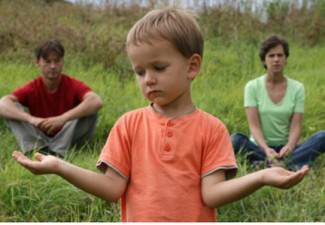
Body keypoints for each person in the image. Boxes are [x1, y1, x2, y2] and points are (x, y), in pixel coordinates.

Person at [12, 9, 309, 222]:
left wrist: (262, 176)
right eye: (139, 72)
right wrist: (59, 166)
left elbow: (212, 195)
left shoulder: (212, 129)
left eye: (159, 68)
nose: (148, 79)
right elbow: (112, 188)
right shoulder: (129, 124)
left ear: (192, 66)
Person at [231, 35, 325, 171]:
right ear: (264, 60)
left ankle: (272, 164)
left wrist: (290, 146)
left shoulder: (297, 88)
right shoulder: (252, 87)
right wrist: (266, 149)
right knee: (235, 140)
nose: (276, 60)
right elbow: (254, 126)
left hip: (287, 149)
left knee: (322, 137)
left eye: (280, 55)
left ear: (286, 59)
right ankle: (287, 164)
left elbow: (296, 126)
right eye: (271, 56)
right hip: (261, 147)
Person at [0, 39, 103, 157]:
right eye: (47, 62)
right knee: (11, 108)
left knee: (89, 110)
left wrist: (62, 119)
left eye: (56, 61)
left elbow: (96, 101)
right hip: (39, 136)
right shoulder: (33, 87)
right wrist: (31, 119)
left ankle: (57, 151)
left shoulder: (71, 84)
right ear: (38, 62)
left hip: (68, 138)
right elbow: (2, 104)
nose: (53, 66)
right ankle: (37, 148)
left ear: (62, 62)